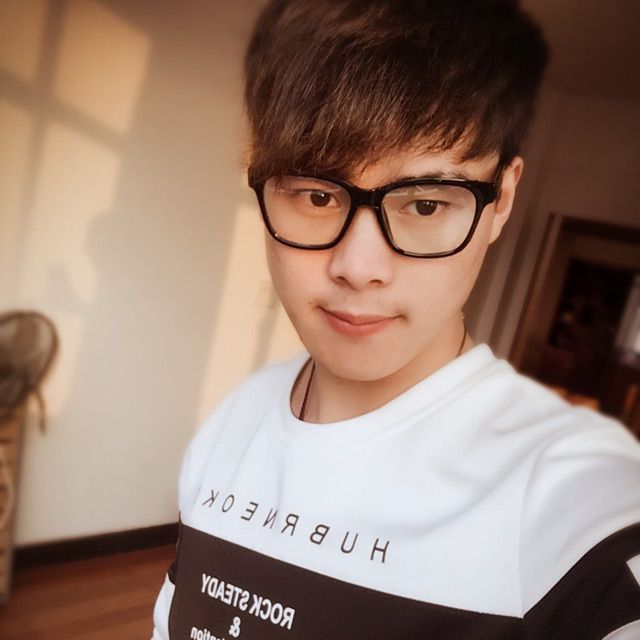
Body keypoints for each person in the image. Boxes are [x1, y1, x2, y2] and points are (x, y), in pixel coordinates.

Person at [152, 1, 640, 638]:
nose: (359, 267)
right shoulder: (232, 425)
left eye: (426, 204)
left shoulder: (578, 501)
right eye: (317, 195)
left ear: (501, 201)